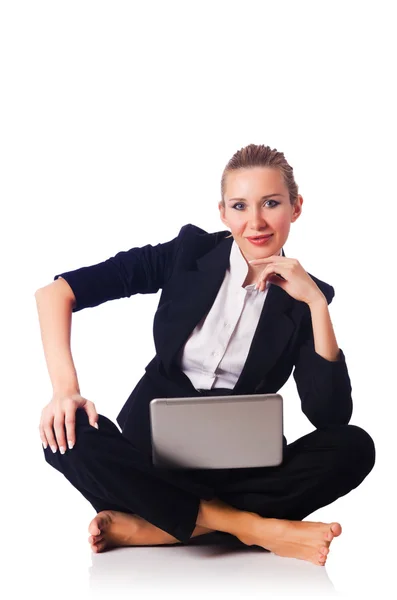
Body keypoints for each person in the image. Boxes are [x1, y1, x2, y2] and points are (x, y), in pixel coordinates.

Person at [36, 143, 375, 566]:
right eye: (240, 206)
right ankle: (249, 526)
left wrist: (316, 306)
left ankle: (154, 524)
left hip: (240, 469)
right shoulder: (187, 252)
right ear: (222, 213)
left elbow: (330, 418)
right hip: (149, 458)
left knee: (355, 447)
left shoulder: (308, 297)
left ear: (296, 207)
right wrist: (65, 391)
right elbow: (57, 293)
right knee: (64, 437)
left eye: (271, 203)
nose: (255, 222)